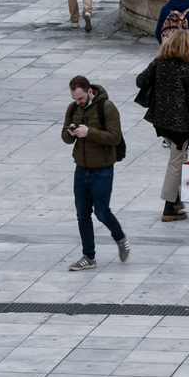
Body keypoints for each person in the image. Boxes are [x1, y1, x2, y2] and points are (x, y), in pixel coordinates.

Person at [135, 27, 189, 223]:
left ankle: (177, 199)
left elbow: (140, 81)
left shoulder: (159, 63)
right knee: (176, 163)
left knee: (177, 158)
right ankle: (169, 206)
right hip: (180, 126)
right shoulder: (188, 70)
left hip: (161, 121)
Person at [61, 76, 129, 271]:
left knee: (102, 212)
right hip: (81, 169)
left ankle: (120, 237)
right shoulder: (73, 108)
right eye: (75, 99)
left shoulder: (107, 107)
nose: (78, 102)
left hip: (102, 171)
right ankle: (88, 256)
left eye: (81, 98)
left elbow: (115, 138)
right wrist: (71, 132)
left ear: (90, 91)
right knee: (82, 214)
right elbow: (65, 138)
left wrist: (89, 132)